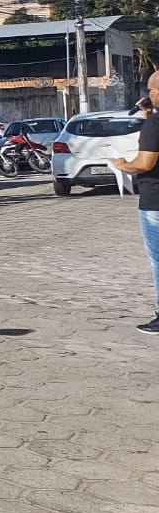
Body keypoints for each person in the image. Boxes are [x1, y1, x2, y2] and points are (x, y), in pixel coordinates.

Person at [110, 70, 159, 333]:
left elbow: (145, 163)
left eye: (150, 90)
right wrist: (148, 115)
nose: (147, 94)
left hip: (155, 203)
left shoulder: (154, 125)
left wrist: (122, 165)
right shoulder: (154, 121)